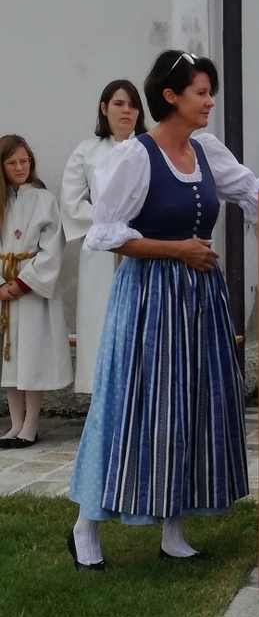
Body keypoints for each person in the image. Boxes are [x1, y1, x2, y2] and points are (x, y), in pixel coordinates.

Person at [67, 50, 259, 570]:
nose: (209, 102)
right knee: (129, 407)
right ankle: (85, 526)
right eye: (201, 92)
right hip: (149, 299)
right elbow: (107, 236)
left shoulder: (205, 150)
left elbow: (256, 193)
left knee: (191, 405)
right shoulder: (135, 156)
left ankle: (173, 530)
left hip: (199, 299)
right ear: (171, 96)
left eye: (210, 93)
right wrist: (178, 249)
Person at [61, 80, 147, 393]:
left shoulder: (150, 148)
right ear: (104, 108)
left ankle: (140, 394)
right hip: (100, 252)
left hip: (143, 244)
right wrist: (109, 221)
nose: (126, 111)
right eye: (118, 104)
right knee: (99, 318)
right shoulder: (87, 151)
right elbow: (71, 202)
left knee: (139, 320)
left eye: (132, 105)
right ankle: (101, 395)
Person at [0, 135, 73, 447]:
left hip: (32, 291)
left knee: (31, 356)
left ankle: (30, 425)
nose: (20, 167)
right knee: (9, 358)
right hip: (4, 292)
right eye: (12, 162)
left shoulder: (44, 200)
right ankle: (15, 424)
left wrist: (22, 283)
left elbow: (53, 247)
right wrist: (1, 285)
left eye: (24, 161)